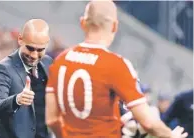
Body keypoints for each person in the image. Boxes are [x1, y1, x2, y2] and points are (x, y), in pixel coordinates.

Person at [45, 1, 188, 138]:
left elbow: (51, 119)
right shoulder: (116, 65)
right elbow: (148, 123)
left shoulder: (61, 60)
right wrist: (170, 135)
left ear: (83, 23)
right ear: (114, 26)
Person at [0, 19, 53, 138]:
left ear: (47, 44)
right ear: (20, 39)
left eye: (40, 50)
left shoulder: (48, 62)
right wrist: (17, 100)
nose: (34, 55)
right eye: (30, 48)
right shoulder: (3, 68)